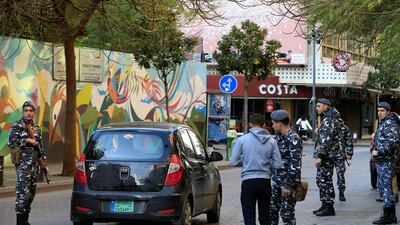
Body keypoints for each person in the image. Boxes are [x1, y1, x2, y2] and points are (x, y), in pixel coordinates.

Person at [230, 113, 282, 225]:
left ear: (250, 125)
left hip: (248, 182)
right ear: (264, 125)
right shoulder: (272, 141)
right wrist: (267, 164)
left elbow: (233, 162)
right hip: (265, 182)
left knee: (249, 219)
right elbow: (278, 164)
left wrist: (246, 162)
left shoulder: (242, 140)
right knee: (265, 218)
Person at [8, 101, 49, 225]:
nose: (28, 113)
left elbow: (39, 148)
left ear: (34, 112)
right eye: (26, 110)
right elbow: (11, 142)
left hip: (34, 167)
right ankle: (20, 222)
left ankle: (25, 221)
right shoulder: (17, 126)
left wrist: (44, 165)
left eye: (31, 111)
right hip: (23, 166)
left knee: (31, 194)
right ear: (23, 112)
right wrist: (27, 140)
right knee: (22, 195)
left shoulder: (36, 128)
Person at [270, 110, 303, 225]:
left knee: (286, 214)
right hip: (277, 182)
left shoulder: (293, 139)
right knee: (271, 211)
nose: (272, 126)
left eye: (273, 123)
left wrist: (288, 186)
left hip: (288, 184)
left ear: (279, 124)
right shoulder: (278, 138)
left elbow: (295, 165)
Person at [372, 102, 399, 224]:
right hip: (381, 160)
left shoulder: (390, 124)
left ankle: (389, 216)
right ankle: (390, 214)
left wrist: (379, 151)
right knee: (383, 188)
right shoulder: (383, 123)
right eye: (378, 110)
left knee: (386, 188)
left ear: (388, 111)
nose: (379, 113)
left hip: (386, 160)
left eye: (382, 110)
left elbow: (392, 142)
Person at [313, 98, 341, 217]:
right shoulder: (328, 119)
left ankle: (329, 206)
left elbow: (326, 140)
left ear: (326, 106)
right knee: (322, 180)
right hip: (327, 155)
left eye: (319, 106)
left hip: (327, 156)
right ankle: (325, 204)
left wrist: (320, 156)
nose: (316, 108)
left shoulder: (329, 120)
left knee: (325, 181)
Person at [333, 118, 353, 201]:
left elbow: (349, 141)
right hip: (327, 156)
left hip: (340, 155)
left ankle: (341, 191)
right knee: (326, 175)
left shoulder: (344, 128)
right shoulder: (326, 126)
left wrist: (349, 153)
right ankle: (329, 193)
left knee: (340, 174)